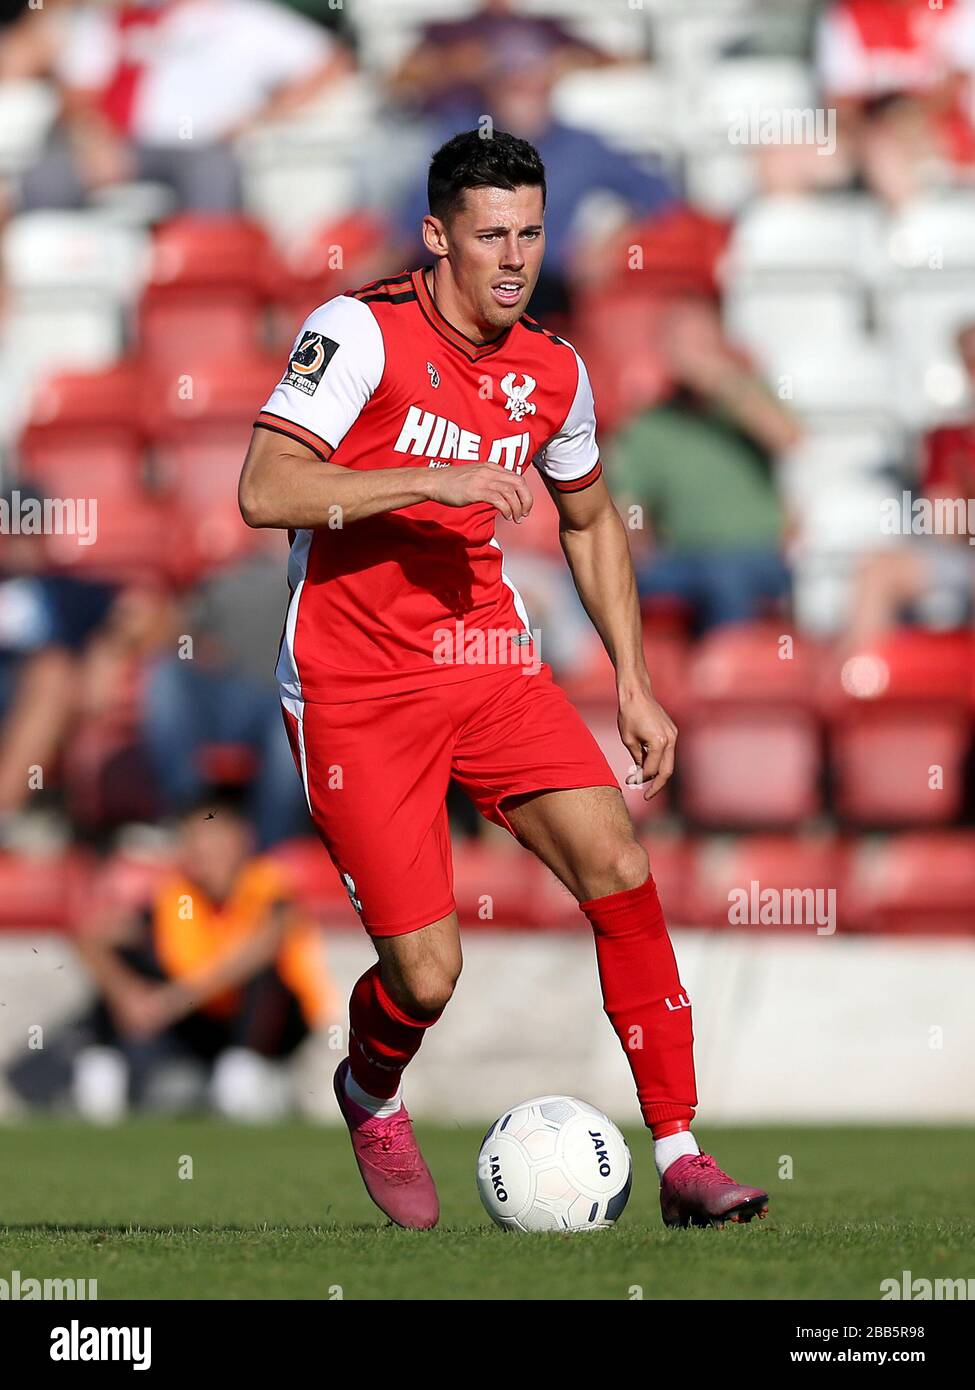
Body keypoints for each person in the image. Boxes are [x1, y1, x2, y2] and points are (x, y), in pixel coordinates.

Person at [239, 130, 768, 1230]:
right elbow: (265, 487)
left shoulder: (555, 369)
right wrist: (427, 476)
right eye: (491, 236)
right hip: (353, 687)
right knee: (427, 975)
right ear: (437, 237)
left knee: (617, 862)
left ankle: (680, 1152)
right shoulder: (358, 332)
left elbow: (590, 520)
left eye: (530, 232)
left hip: (486, 661)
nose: (515, 257)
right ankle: (369, 1089)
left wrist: (633, 680)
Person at [69, 784, 333, 1120]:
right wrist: (127, 994)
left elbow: (264, 946)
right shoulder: (175, 894)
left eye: (214, 842)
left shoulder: (267, 885)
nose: (204, 855)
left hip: (275, 1026)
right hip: (202, 1020)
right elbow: (92, 935)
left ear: (241, 841)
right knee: (126, 961)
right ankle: (103, 1070)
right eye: (195, 843)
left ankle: (246, 1074)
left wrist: (174, 999)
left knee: (266, 979)